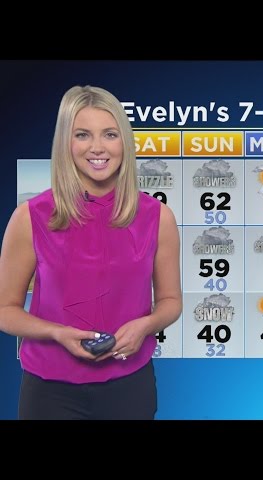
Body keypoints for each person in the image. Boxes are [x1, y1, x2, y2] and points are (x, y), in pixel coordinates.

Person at [0, 85, 182, 419]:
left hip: (130, 386)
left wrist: (146, 326)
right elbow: (5, 310)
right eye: (82, 135)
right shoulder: (30, 217)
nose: (97, 147)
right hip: (49, 391)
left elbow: (171, 301)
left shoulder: (159, 217)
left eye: (110, 134)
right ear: (66, 143)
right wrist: (56, 332)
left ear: (124, 142)